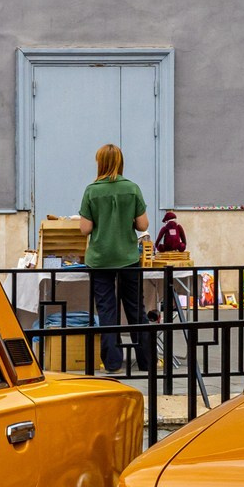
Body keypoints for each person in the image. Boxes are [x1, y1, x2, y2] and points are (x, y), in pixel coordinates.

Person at [78, 143, 151, 374]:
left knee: (107, 310)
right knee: (135, 309)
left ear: (100, 162)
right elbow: (143, 225)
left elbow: (84, 229)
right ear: (120, 162)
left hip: (100, 260)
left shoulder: (91, 190)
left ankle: (112, 363)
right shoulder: (132, 188)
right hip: (128, 257)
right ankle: (146, 361)